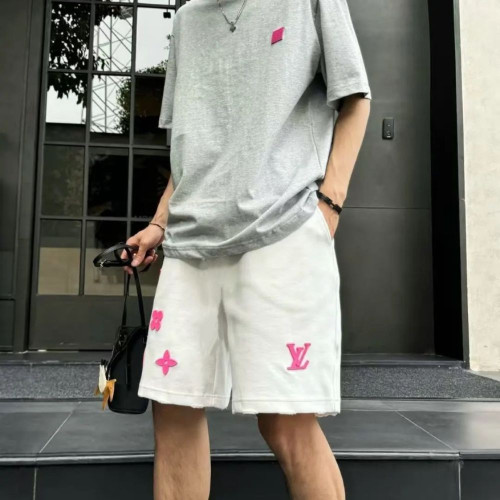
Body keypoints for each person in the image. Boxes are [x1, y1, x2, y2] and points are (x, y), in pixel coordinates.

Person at [123, 0, 371, 497]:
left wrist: (329, 205)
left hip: (282, 234)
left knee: (286, 422)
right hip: (190, 245)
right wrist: (159, 222)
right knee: (173, 410)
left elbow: (355, 99)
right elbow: (191, 146)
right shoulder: (188, 20)